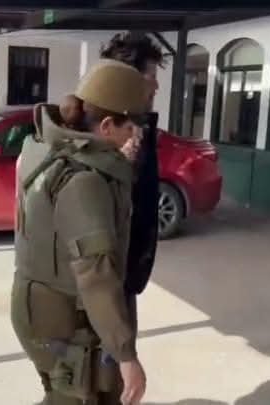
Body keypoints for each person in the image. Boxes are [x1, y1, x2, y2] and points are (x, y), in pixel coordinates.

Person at [11, 59, 149, 405]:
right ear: (106, 125)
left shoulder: (49, 147)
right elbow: (96, 274)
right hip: (59, 316)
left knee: (68, 393)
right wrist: (126, 355)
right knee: (75, 398)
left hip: (38, 304)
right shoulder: (84, 181)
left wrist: (118, 161)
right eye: (133, 126)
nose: (138, 135)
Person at [100, 31, 166, 330]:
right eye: (151, 77)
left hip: (127, 276)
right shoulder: (106, 133)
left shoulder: (140, 128)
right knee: (116, 353)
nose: (157, 86)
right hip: (107, 283)